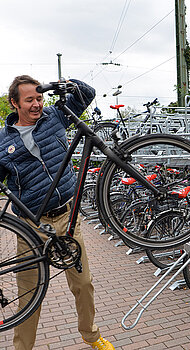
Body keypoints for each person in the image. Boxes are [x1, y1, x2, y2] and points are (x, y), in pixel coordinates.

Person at [0, 75, 115, 350]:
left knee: (83, 284)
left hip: (67, 217)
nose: (37, 104)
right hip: (30, 225)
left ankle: (92, 336)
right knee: (29, 295)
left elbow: (87, 94)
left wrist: (66, 83)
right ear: (14, 103)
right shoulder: (3, 142)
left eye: (39, 98)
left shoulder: (55, 116)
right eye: (29, 100)